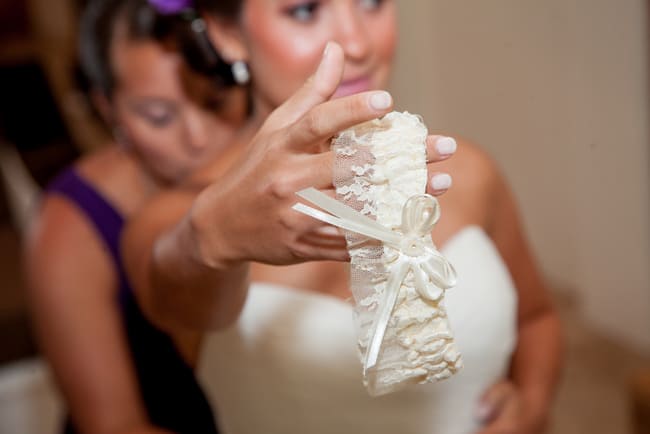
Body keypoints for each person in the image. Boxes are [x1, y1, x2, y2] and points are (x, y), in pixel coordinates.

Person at [122, 1, 562, 433]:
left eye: (372, 2)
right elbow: (173, 295)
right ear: (227, 34)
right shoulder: (178, 218)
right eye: (305, 10)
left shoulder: (465, 169)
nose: (357, 42)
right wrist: (213, 235)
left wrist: (534, 402)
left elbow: (536, 318)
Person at [22, 0, 247, 433]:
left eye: (216, 102)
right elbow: (114, 426)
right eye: (159, 115)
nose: (198, 138)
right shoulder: (69, 225)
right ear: (108, 109)